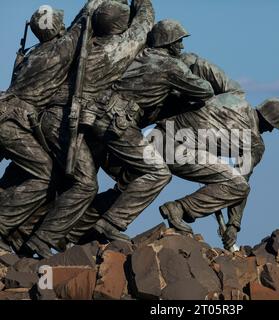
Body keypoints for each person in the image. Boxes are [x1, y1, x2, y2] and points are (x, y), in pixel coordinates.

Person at [24, 0, 159, 256]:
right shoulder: (117, 49)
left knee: (63, 178)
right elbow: (144, 24)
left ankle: (36, 233)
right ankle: (43, 238)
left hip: (50, 117)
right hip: (62, 120)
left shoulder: (76, 43)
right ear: (119, 28)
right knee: (85, 183)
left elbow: (81, 18)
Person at [67, 19, 215, 244]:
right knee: (158, 173)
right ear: (169, 42)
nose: (182, 48)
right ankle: (111, 223)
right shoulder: (170, 66)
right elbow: (204, 90)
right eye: (179, 42)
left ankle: (77, 229)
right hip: (119, 125)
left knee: (130, 177)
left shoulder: (139, 55)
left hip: (99, 118)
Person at [0, 0, 107, 255]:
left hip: (9, 117)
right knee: (44, 175)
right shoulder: (61, 49)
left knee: (27, 173)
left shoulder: (32, 54)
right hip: (10, 122)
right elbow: (83, 22)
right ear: (56, 27)